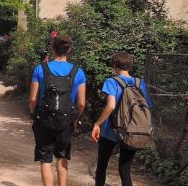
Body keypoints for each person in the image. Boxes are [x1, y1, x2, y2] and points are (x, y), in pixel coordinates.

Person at [29, 35, 87, 186]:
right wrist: (74, 118)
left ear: (53, 49)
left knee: (45, 159)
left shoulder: (40, 69)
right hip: (66, 121)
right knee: (62, 158)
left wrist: (33, 114)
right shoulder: (78, 72)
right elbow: (81, 103)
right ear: (69, 50)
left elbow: (33, 99)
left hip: (44, 119)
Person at [91, 52, 153, 186]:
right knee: (125, 170)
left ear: (114, 65)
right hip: (131, 130)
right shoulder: (140, 83)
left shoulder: (111, 82)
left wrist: (97, 124)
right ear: (130, 66)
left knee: (102, 166)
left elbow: (111, 106)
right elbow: (147, 106)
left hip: (110, 130)